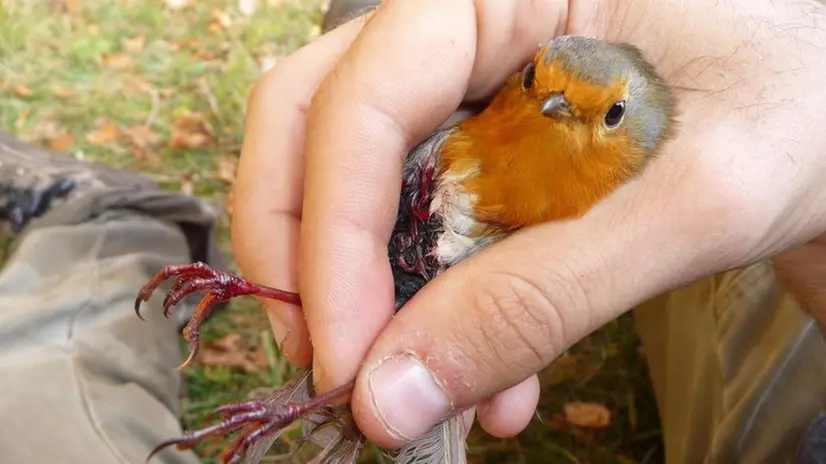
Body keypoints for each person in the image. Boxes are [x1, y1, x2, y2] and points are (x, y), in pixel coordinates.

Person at [0, 2, 824, 464]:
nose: (547, 105)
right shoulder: (493, 123)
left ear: (633, 135)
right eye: (538, 82)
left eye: (601, 114)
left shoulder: (588, 198)